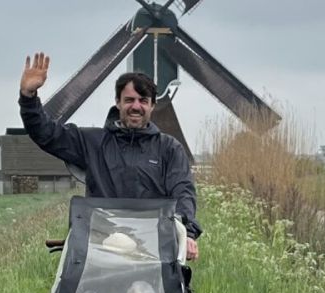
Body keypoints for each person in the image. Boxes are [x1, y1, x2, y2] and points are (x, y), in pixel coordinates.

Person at [18, 52, 200, 261]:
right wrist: (28, 97)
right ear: (118, 102)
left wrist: (186, 233)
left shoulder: (169, 149)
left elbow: (183, 191)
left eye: (143, 100)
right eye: (129, 100)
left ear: (152, 105)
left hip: (153, 252)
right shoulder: (93, 143)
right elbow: (47, 134)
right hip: (100, 249)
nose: (136, 106)